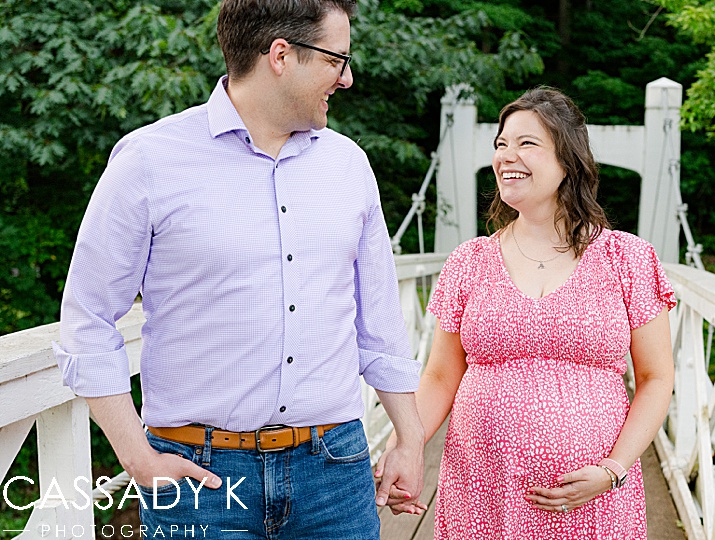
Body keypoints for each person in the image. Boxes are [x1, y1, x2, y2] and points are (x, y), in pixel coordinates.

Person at [52, 0, 425, 537]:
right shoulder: (148, 160)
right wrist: (136, 457)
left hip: (335, 473)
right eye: (336, 60)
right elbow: (87, 320)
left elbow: (380, 326)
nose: (347, 78)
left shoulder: (349, 166)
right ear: (280, 55)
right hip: (198, 479)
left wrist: (410, 439)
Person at [377, 87, 676, 538]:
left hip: (592, 497)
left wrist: (613, 469)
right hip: (482, 493)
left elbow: (656, 378)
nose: (506, 156)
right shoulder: (469, 260)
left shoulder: (626, 258)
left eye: (526, 143)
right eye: (500, 144)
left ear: (567, 160)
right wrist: (408, 444)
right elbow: (440, 376)